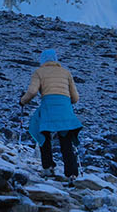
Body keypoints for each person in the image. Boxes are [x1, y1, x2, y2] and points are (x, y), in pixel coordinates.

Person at [19, 49, 81, 178]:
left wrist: (23, 101)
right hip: (64, 108)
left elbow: (32, 92)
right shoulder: (66, 72)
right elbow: (75, 98)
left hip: (48, 107)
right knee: (66, 140)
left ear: (42, 59)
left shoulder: (39, 72)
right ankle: (71, 174)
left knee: (43, 134)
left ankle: (48, 167)